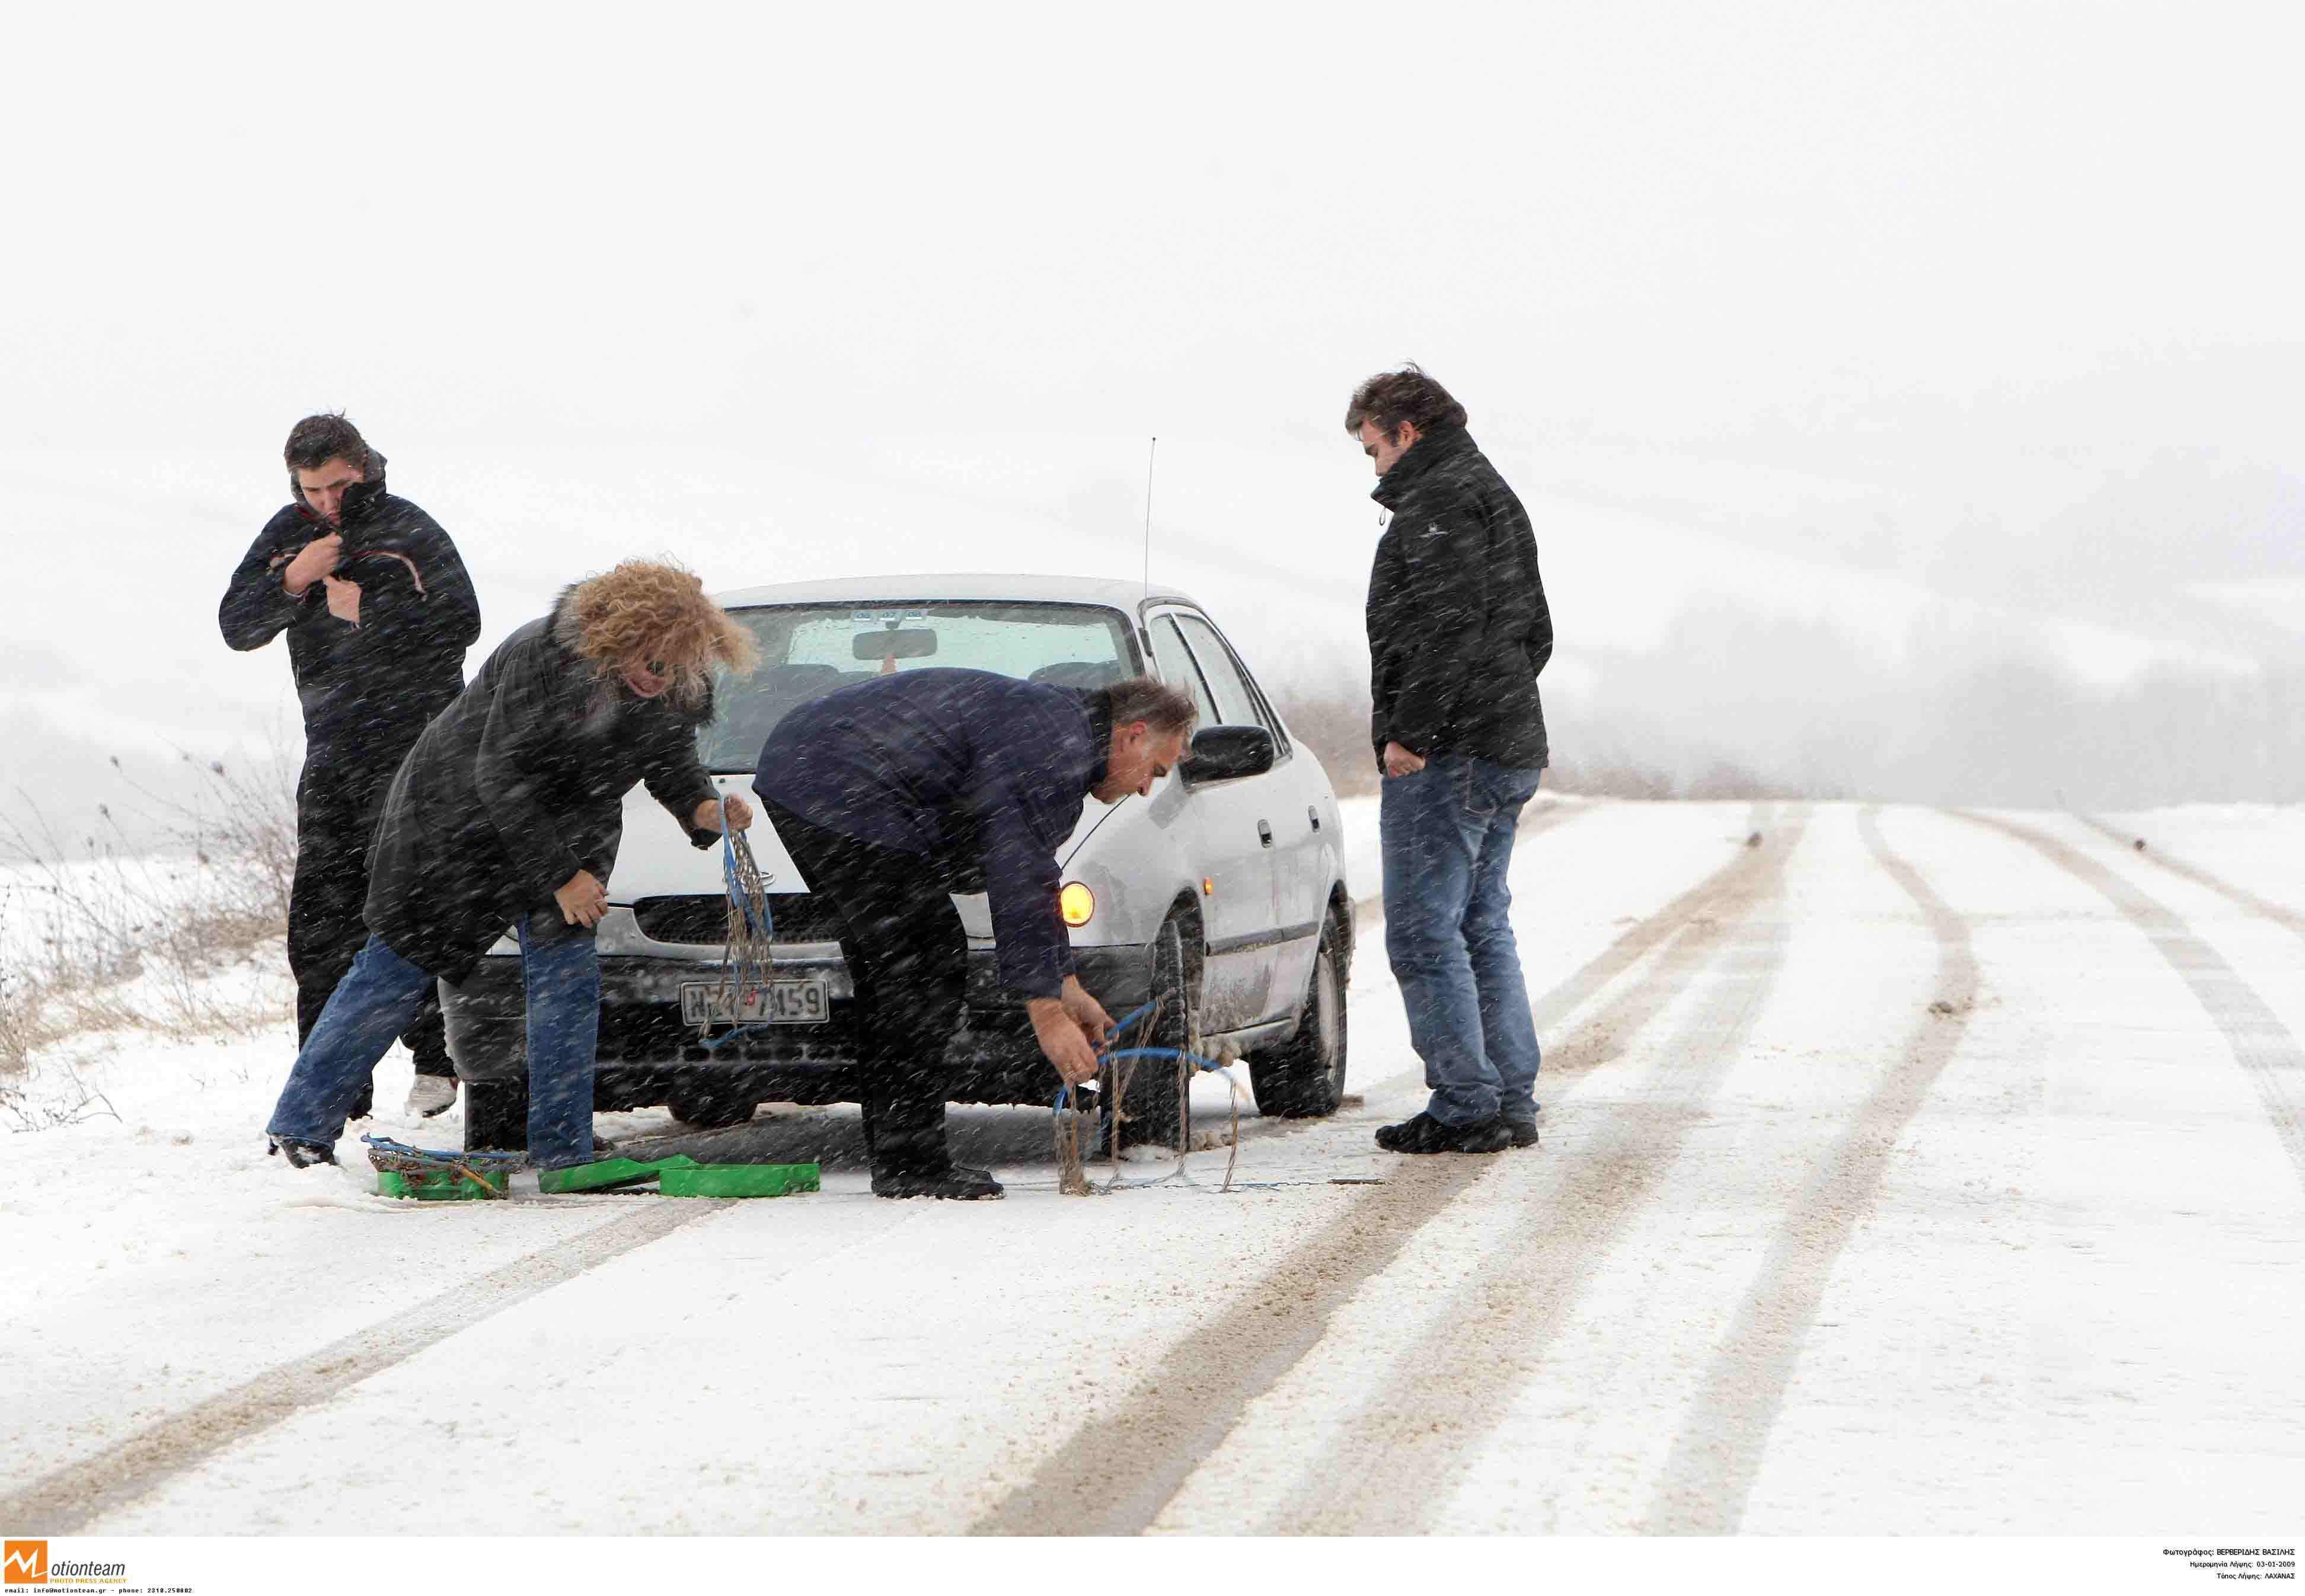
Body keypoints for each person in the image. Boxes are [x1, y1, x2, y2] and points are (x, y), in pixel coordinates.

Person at [264, 561, 758, 1171]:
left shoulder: (672, 679)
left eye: (677, 667)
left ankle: (563, 1150)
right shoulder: (542, 659)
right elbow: (501, 775)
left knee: (568, 984)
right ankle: (301, 1127)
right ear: (618, 638)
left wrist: (706, 809)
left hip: (566, 838)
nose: (662, 680)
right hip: (455, 829)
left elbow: (668, 756)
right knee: (392, 972)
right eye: (652, 663)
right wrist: (562, 877)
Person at [752, 669, 1196, 1199]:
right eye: (1156, 769)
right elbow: (1017, 872)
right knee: (922, 959)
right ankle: (909, 1162)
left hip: (808, 771)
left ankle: (902, 1152)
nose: (1147, 787)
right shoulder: (1054, 745)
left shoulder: (1061, 736)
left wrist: (1065, 983)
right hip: (835, 777)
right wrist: (1047, 1014)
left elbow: (1036, 876)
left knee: (904, 968)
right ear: (1132, 735)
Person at [220, 414, 480, 1119]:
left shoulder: (409, 529)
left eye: (339, 485)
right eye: (314, 489)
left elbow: (461, 626)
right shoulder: (286, 533)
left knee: (417, 904)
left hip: (421, 752)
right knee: (320, 924)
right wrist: (293, 582)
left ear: (363, 468)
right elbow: (236, 626)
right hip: (334, 752)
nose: (329, 502)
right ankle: (335, 1084)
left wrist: (369, 609)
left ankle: (438, 1058)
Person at [1349, 364, 1553, 1155]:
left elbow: (1443, 631)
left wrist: (1416, 733)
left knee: (1425, 934)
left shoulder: (1437, 503)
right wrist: (1497, 706)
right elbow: (1534, 632)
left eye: (1373, 449)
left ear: (1408, 431)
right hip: (1503, 745)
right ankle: (1507, 1096)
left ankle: (1468, 1102)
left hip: (1451, 755)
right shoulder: (1492, 492)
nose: (1374, 468)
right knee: (1479, 926)